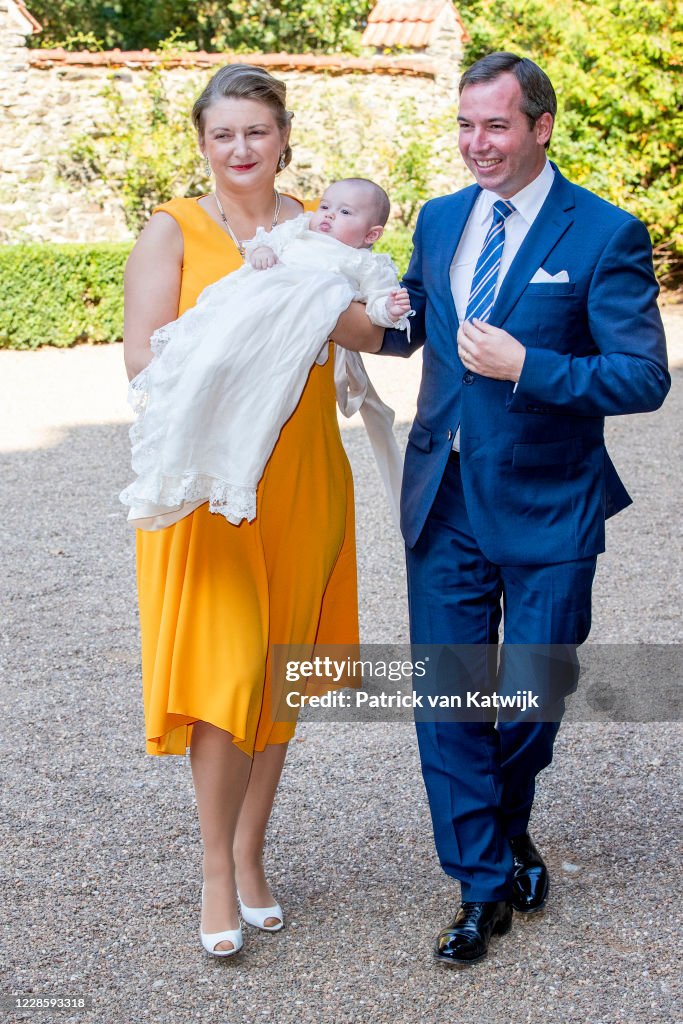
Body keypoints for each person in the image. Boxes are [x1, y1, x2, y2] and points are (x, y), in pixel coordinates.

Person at [354, 52, 670, 965]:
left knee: (534, 694)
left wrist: (530, 367)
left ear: (539, 127)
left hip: (549, 501)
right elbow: (410, 326)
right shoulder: (441, 216)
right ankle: (480, 884)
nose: (474, 144)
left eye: (493, 125)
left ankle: (501, 824)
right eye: (463, 125)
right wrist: (326, 301)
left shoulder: (604, 233)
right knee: (447, 699)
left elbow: (642, 376)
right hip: (442, 494)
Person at [122, 64, 379, 959]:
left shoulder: (320, 226)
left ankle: (252, 851)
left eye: (256, 132)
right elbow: (142, 366)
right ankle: (215, 873)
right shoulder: (174, 231)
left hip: (306, 477)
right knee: (227, 679)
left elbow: (372, 330)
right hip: (212, 490)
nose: (241, 149)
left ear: (282, 139)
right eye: (223, 133)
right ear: (202, 142)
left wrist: (323, 291)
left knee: (280, 678)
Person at [120, 178, 411, 531]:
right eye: (325, 207)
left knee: (264, 399)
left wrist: (390, 308)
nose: (329, 215)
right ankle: (180, 447)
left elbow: (377, 307)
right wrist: (262, 253)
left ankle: (225, 467)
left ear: (371, 235)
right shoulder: (299, 230)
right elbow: (265, 243)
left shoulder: (365, 263)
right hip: (249, 311)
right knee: (210, 360)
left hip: (285, 339)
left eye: (345, 212)